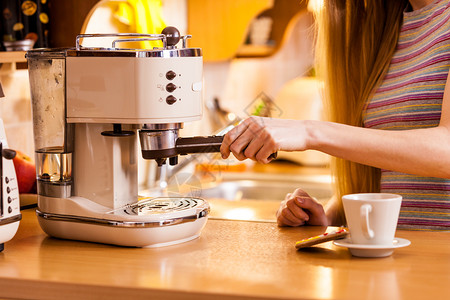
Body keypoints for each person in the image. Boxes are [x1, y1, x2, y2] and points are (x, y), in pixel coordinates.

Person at [220, 0, 450, 231]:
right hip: (398, 255)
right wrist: (330, 216)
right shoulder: (386, 29)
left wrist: (311, 131)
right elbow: (385, 173)